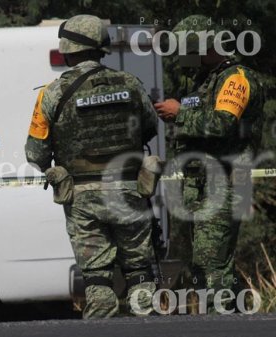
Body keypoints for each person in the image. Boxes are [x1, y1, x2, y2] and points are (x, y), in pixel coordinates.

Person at [25, 14, 158, 318]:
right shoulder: (131, 83)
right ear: (101, 48)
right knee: (139, 272)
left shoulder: (53, 93)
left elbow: (35, 152)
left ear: (68, 49)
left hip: (83, 198)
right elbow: (149, 128)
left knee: (98, 278)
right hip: (129, 191)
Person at [154, 15, 264, 312]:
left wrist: (179, 113)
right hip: (201, 184)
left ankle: (221, 323)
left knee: (211, 266)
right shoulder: (206, 80)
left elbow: (222, 124)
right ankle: (231, 318)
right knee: (206, 268)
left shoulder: (236, 78)